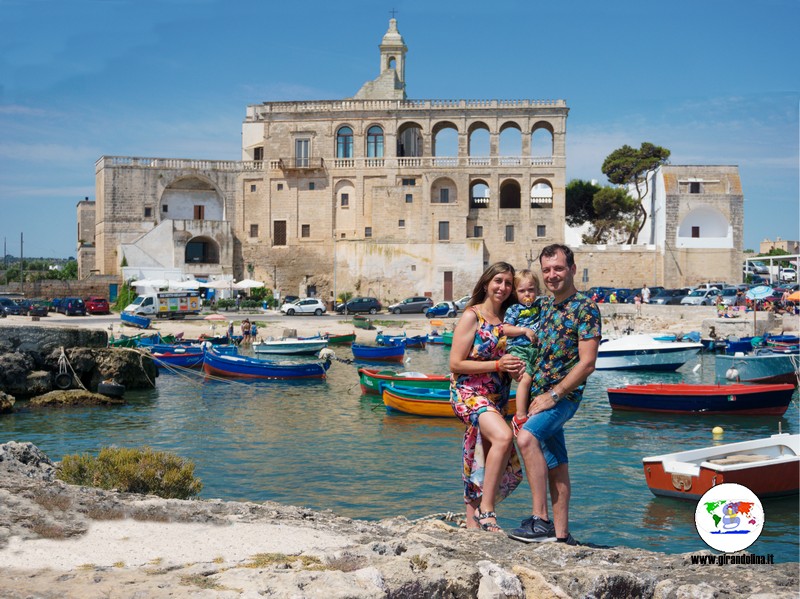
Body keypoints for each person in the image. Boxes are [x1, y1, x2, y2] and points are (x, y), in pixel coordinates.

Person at [509, 244, 601, 546]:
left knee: (526, 439)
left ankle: (541, 520)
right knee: (557, 464)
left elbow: (587, 363)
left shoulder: (585, 308)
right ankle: (562, 535)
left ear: (572, 269)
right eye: (547, 270)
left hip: (562, 398)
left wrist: (555, 395)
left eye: (558, 268)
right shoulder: (546, 306)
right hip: (538, 396)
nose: (552, 275)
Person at [449, 262, 528, 532]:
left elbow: (511, 360)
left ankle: (473, 527)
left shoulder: (509, 321)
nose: (503, 287)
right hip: (468, 393)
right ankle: (488, 510)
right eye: (498, 281)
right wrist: (498, 366)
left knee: (478, 453)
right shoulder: (473, 316)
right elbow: (455, 364)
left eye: (508, 283)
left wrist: (517, 369)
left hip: (496, 398)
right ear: (486, 283)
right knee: (504, 437)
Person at [503, 269, 541, 426]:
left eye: (531, 290)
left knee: (534, 380)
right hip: (519, 349)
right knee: (525, 378)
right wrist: (524, 330)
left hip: (535, 351)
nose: (527, 294)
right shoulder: (514, 309)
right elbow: (505, 328)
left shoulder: (540, 307)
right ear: (515, 293)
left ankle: (531, 409)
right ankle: (520, 415)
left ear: (537, 290)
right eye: (522, 291)